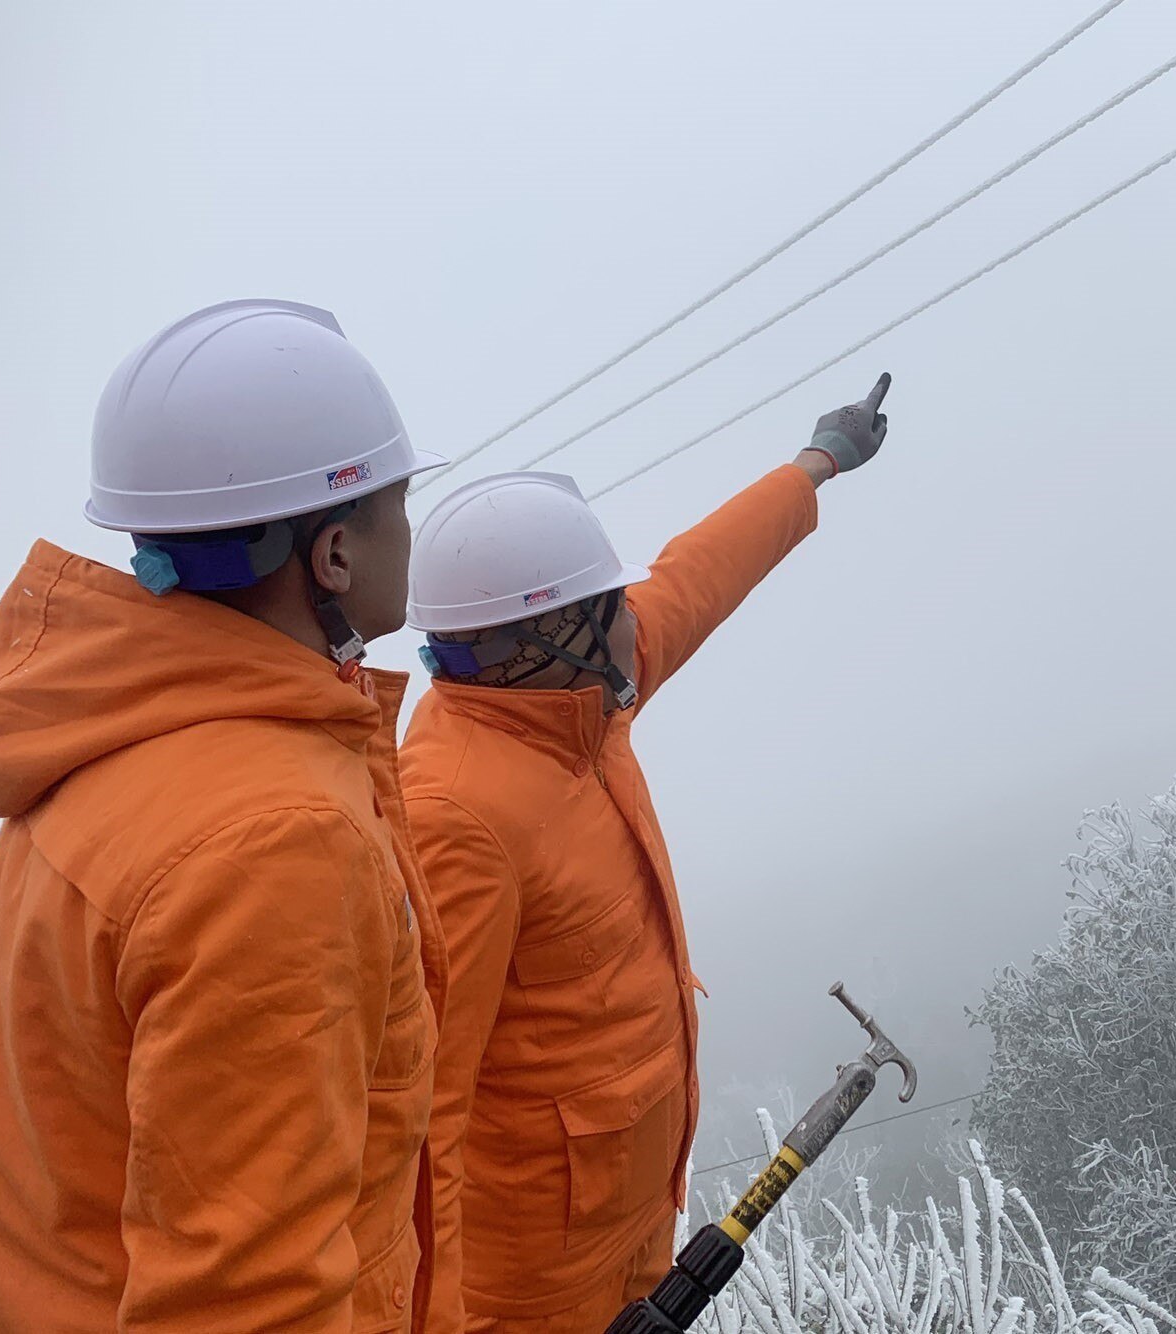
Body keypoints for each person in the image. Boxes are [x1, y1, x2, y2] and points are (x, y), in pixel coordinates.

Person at [0, 299, 457, 1332]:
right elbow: (246, 1299)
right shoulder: (274, 835)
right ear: (335, 554)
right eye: (401, 497)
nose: (413, 523)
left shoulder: (118, 743)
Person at [399, 375, 891, 1333]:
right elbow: (416, 1124)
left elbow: (696, 579)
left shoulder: (581, 700)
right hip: (526, 1296)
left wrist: (816, 464)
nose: (636, 610)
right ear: (546, 633)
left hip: (628, 1238)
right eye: (606, 600)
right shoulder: (455, 813)